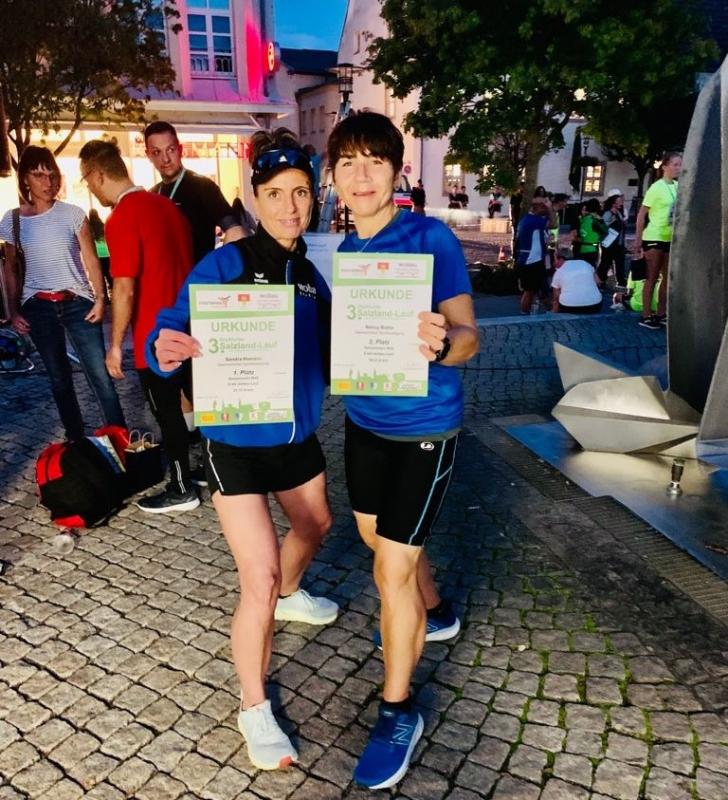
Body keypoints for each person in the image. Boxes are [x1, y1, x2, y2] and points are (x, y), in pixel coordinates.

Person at [146, 128, 338, 770]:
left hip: (295, 437)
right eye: (276, 193)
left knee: (316, 525)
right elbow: (170, 327)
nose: (290, 206)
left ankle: (292, 592)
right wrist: (165, 348)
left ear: (313, 198)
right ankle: (254, 707)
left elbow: (339, 350)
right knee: (258, 578)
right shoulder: (226, 263)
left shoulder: (311, 276)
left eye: (301, 192)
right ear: (255, 199)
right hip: (235, 443)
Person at [328, 111, 479, 789]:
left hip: (425, 426)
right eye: (348, 163)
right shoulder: (344, 251)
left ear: (396, 170)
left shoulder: (429, 238)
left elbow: (470, 337)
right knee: (377, 539)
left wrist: (443, 343)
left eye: (374, 161)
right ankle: (435, 611)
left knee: (390, 570)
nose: (362, 176)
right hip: (365, 422)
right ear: (334, 177)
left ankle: (398, 711)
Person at [78, 139, 198, 513]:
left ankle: (181, 487)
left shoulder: (122, 217)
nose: (91, 188)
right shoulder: (167, 207)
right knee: (197, 404)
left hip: (154, 336)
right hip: (190, 325)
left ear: (98, 174)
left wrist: (115, 345)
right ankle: (205, 472)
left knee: (167, 412)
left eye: (87, 180)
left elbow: (125, 287)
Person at [0, 146, 126, 440]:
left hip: (77, 303)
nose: (48, 182)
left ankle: (122, 441)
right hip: (38, 307)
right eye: (38, 175)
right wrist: (13, 311)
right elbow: (10, 268)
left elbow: (91, 260)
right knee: (59, 380)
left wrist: (100, 298)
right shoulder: (12, 220)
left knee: (100, 377)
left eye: (52, 174)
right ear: (25, 179)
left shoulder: (72, 214)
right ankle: (76, 440)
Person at [144, 121, 244, 263]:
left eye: (171, 149)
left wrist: (217, 269)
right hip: (165, 274)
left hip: (198, 274)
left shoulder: (203, 187)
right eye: (156, 152)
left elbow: (236, 231)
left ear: (180, 149)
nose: (165, 159)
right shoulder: (152, 195)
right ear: (148, 155)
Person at [634, 151, 682, 330]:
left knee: (667, 278)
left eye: (680, 164)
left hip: (670, 237)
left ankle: (661, 313)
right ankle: (646, 315)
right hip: (654, 236)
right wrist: (638, 239)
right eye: (675, 164)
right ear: (665, 167)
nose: (678, 168)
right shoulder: (656, 187)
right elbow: (642, 214)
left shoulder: (677, 186)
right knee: (651, 277)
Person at [515, 196, 557, 314]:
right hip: (530, 261)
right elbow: (553, 224)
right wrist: (550, 209)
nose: (546, 208)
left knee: (542, 289)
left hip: (535, 260)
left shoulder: (529, 219)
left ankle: (548, 311)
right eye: (543, 206)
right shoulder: (532, 221)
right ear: (537, 208)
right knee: (530, 291)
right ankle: (525, 313)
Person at [551, 248, 602, 314]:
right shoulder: (585, 263)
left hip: (569, 307)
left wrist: (554, 312)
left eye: (555, 259)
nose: (555, 262)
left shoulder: (559, 271)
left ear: (560, 259)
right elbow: (598, 282)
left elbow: (556, 297)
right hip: (595, 305)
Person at [600, 189, 626, 287]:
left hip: (618, 244)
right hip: (609, 245)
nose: (622, 201)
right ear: (613, 201)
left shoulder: (618, 212)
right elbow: (604, 228)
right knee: (605, 264)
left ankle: (621, 283)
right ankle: (601, 281)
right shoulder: (608, 214)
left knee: (619, 264)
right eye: (619, 199)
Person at [577, 198, 608, 269]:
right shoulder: (594, 221)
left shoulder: (583, 219)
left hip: (582, 248)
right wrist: (601, 220)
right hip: (592, 249)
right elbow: (605, 231)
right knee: (591, 270)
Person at [88, 209, 111, 294]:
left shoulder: (89, 227)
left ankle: (105, 296)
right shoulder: (103, 225)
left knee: (100, 277)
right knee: (109, 275)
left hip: (97, 255)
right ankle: (113, 291)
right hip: (107, 254)